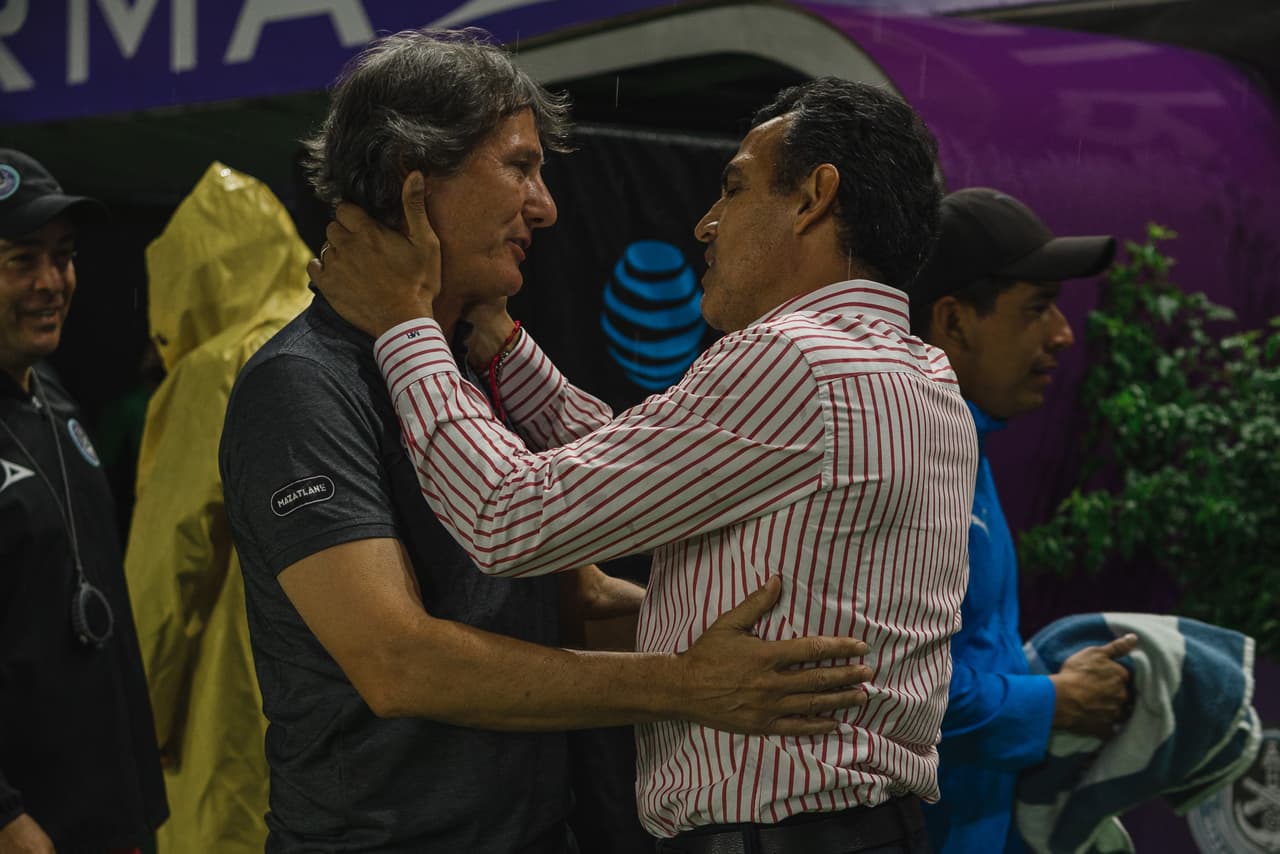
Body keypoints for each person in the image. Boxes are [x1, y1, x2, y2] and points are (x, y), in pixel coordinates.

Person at [217, 30, 873, 854]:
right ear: (409, 181)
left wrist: (788, 658)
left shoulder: (471, 360)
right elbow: (397, 663)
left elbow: (578, 604)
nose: (546, 205)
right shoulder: (300, 383)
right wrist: (687, 686)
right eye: (520, 167)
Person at [904, 187, 1137, 853]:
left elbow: (966, 651)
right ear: (953, 321)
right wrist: (1054, 701)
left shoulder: (965, 449)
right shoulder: (914, 463)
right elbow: (900, 682)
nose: (1064, 333)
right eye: (1037, 309)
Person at [125, 162, 314, 854]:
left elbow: (168, 561)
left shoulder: (219, 368)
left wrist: (132, 737)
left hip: (230, 700)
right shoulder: (345, 340)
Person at [0, 149, 168, 852]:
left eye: (62, 256)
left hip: (104, 816)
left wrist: (134, 803)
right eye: (20, 260)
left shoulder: (60, 404)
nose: (51, 282)